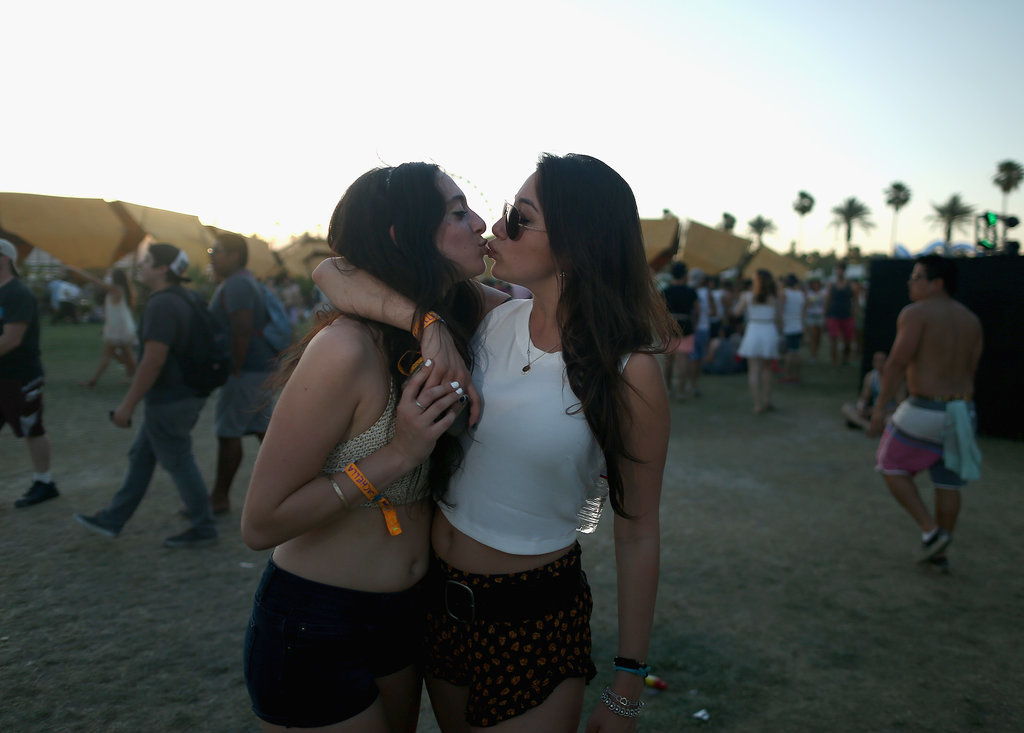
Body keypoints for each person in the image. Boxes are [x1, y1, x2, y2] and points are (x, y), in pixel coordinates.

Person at [314, 153, 675, 732]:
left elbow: (638, 531)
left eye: (518, 217)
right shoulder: (489, 315)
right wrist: (426, 324)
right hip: (438, 605)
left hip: (533, 616)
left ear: (577, 243)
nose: (495, 226)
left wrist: (628, 678)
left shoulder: (629, 371)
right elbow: (333, 271)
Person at [240, 162, 485, 732]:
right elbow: (260, 523)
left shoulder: (457, 318)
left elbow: (333, 269)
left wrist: (426, 320)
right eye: (455, 212)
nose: (478, 223)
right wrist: (396, 454)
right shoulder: (345, 349)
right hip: (317, 620)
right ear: (403, 236)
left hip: (406, 619)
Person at [74, 244, 218, 547]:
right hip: (187, 393)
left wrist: (127, 406)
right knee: (142, 455)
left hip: (170, 398)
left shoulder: (162, 304)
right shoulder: (187, 298)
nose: (140, 266)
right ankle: (113, 519)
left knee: (178, 460)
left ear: (163, 268)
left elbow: (153, 359)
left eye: (147, 261)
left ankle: (204, 526)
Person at [869, 255, 983, 571]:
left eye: (917, 276)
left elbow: (896, 362)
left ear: (937, 283)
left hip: (925, 408)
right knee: (948, 483)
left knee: (890, 464)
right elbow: (971, 369)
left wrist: (881, 408)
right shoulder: (971, 320)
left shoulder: (916, 314)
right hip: (962, 409)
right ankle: (940, 553)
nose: (910, 282)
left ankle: (931, 532)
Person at [206, 232, 277, 515]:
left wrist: (234, 366)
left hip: (245, 369)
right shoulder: (246, 281)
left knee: (228, 432)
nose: (211, 255)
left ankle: (219, 498)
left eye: (217, 250)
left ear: (234, 255)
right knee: (264, 432)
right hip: (258, 367)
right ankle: (292, 486)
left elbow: (242, 327)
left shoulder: (237, 285)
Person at [0, 238, 59, 508]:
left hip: (21, 374)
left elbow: (12, 339)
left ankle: (44, 483)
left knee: (32, 428)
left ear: (5, 258)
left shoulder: (17, 293)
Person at [65, 265, 138, 387]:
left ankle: (93, 381)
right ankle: (133, 376)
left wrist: (76, 269)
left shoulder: (116, 290)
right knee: (126, 355)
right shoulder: (120, 290)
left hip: (118, 329)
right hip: (120, 328)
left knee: (109, 355)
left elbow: (95, 280)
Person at [733, 269, 781, 414]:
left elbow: (736, 313)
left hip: (754, 329)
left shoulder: (747, 296)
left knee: (753, 369)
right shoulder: (774, 297)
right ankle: (767, 400)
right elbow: (779, 317)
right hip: (769, 329)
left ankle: (757, 404)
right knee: (767, 369)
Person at [660, 261, 697, 400]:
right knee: (683, 361)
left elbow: (661, 311)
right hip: (686, 326)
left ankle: (668, 388)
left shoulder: (666, 291)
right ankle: (681, 391)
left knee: (668, 361)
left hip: (669, 326)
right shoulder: (691, 292)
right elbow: (697, 310)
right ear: (684, 275)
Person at [841, 350, 903, 430]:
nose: (879, 363)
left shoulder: (896, 379)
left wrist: (881, 410)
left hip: (887, 412)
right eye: (876, 360)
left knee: (890, 420)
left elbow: (900, 406)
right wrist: (861, 407)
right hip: (872, 411)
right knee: (846, 408)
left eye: (882, 361)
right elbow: (863, 398)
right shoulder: (870, 377)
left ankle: (876, 427)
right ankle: (868, 426)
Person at [689, 268, 716, 397]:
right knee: (699, 357)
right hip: (704, 327)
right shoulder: (707, 293)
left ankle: (691, 383)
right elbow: (714, 312)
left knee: (693, 357)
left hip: (692, 328)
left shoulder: (689, 290)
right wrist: (705, 313)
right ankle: (695, 384)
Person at [825, 263, 856, 367]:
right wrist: (825, 315)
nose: (839, 272)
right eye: (837, 269)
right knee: (833, 340)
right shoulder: (831, 285)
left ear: (844, 271)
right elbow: (827, 300)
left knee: (848, 342)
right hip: (833, 315)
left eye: (840, 269)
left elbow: (855, 301)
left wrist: (854, 313)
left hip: (847, 315)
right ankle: (834, 363)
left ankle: (845, 359)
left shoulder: (851, 285)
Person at [779, 274, 806, 383]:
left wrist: (780, 325)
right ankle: (796, 375)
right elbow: (803, 311)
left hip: (789, 325)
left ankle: (787, 375)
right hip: (798, 325)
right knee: (797, 352)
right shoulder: (801, 294)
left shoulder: (784, 294)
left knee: (789, 353)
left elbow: (780, 310)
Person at [804, 278, 825, 361]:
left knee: (818, 337)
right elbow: (806, 304)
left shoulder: (824, 292)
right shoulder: (809, 293)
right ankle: (813, 354)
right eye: (814, 283)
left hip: (820, 315)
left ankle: (816, 352)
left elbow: (825, 304)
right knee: (813, 336)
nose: (815, 285)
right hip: (811, 315)